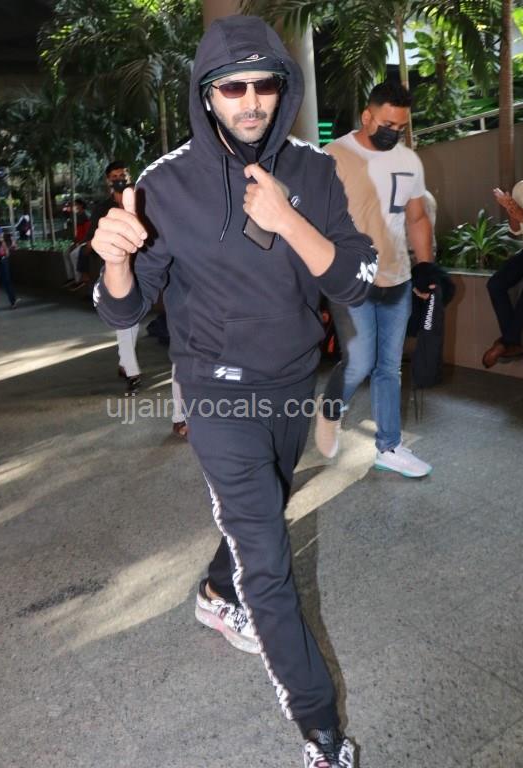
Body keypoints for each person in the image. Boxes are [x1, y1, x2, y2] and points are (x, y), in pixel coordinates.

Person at [92, 15, 378, 766]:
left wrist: (286, 218)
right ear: (206, 94)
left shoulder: (313, 172)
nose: (250, 101)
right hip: (217, 392)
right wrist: (116, 264)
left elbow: (354, 278)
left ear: (283, 88)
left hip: (292, 380)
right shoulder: (165, 185)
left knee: (266, 507)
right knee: (268, 562)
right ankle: (322, 736)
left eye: (264, 85)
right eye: (232, 87)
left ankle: (216, 595)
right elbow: (124, 310)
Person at [315, 81, 435, 478]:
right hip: (352, 279)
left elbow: (417, 217)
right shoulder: (333, 156)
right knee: (360, 361)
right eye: (387, 124)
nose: (393, 132)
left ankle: (389, 446)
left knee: (389, 367)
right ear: (367, 116)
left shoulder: (409, 160)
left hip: (397, 278)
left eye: (400, 127)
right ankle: (331, 410)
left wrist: (425, 266)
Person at [83, 162, 142, 396]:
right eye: (114, 176)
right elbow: (90, 243)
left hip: (141, 269)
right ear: (108, 180)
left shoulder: (142, 198)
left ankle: (124, 362)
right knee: (125, 322)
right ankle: (132, 372)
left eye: (122, 175)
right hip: (115, 271)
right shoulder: (102, 208)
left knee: (133, 322)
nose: (119, 179)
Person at [483, 139, 523, 368]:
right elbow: (516, 230)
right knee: (495, 284)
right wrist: (510, 208)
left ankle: (507, 342)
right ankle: (512, 342)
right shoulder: (520, 187)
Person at [62, 198, 90, 288]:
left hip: (85, 242)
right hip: (79, 241)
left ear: (81, 205)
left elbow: (87, 234)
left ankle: (78, 279)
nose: (74, 207)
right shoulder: (77, 216)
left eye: (76, 205)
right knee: (66, 253)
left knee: (73, 254)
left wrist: (79, 243)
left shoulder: (85, 216)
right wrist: (75, 242)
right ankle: (71, 277)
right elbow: (78, 233)